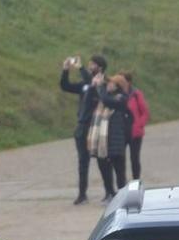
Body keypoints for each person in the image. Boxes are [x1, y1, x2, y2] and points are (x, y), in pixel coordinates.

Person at [60, 54, 107, 204]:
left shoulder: (104, 83)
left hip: (96, 127)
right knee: (82, 161)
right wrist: (65, 70)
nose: (89, 66)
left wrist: (79, 67)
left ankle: (109, 191)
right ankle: (82, 194)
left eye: (92, 64)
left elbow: (90, 81)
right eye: (88, 64)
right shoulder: (85, 84)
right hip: (82, 126)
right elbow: (65, 86)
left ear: (100, 67)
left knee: (103, 160)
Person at [89, 72, 131, 200]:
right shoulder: (104, 97)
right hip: (103, 142)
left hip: (116, 142)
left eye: (111, 83)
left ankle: (122, 195)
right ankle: (109, 192)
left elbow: (107, 100)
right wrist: (93, 86)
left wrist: (100, 88)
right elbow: (90, 100)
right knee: (104, 168)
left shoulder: (121, 98)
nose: (108, 84)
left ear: (118, 86)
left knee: (119, 171)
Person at [123, 72, 150, 181]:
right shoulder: (117, 94)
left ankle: (136, 180)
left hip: (135, 132)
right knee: (120, 158)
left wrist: (139, 125)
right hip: (122, 131)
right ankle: (122, 182)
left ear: (129, 82)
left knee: (134, 157)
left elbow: (145, 112)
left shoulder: (136, 94)